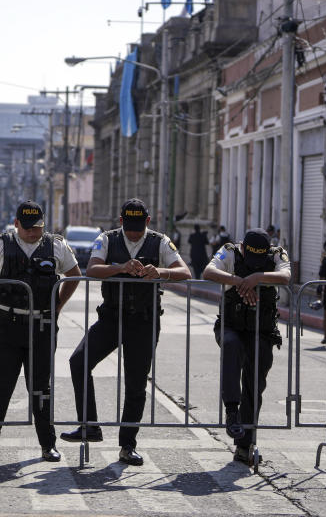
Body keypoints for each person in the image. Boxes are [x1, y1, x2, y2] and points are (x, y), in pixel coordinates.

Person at [63, 198, 190, 466]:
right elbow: (93, 268)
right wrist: (120, 267)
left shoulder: (160, 241)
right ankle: (90, 426)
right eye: (129, 226)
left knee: (136, 383)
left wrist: (161, 272)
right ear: (121, 222)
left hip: (144, 320)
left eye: (139, 227)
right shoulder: (107, 239)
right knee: (79, 361)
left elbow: (185, 272)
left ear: (148, 222)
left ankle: (127, 445)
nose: (134, 233)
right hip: (112, 316)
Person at [0, 201, 82, 463]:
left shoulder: (56, 244)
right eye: (28, 228)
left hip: (41, 327)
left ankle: (48, 445)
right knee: (1, 386)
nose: (33, 233)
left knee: (40, 388)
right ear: (16, 224)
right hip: (8, 324)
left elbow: (74, 274)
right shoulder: (1, 243)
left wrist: (58, 306)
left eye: (38, 228)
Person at [202, 228, 290, 466]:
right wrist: (239, 281)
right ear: (243, 249)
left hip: (261, 330)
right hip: (230, 325)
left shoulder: (275, 254)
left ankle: (244, 445)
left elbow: (285, 277)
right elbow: (208, 271)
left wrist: (257, 278)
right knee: (230, 346)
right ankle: (232, 411)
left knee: (254, 386)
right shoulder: (230, 251)